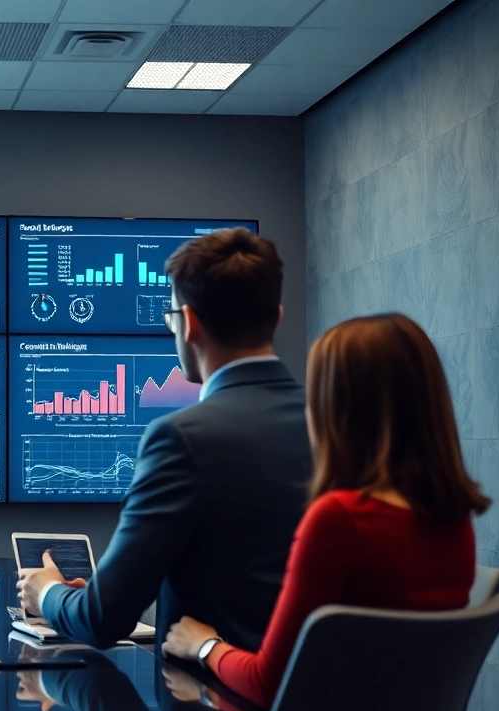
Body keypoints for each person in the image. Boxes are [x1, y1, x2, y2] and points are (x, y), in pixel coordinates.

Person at [162, 313, 487, 708]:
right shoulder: (454, 517)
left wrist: (204, 645)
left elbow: (269, 684)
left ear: (341, 410)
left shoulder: (339, 519)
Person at [17, 227, 312, 650]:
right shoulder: (337, 422)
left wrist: (47, 593)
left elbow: (104, 620)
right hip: (323, 706)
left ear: (188, 323)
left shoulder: (181, 439)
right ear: (277, 317)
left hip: (212, 706)